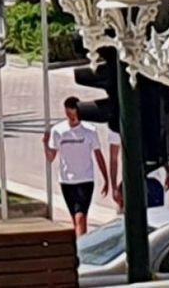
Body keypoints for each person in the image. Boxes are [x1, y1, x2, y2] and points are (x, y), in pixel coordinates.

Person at [44, 97, 110, 236]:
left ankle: (81, 250)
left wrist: (106, 178)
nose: (72, 118)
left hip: (85, 179)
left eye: (74, 114)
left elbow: (98, 154)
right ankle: (79, 244)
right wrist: (45, 143)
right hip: (66, 181)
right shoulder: (58, 131)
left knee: (81, 217)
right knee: (75, 218)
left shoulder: (90, 130)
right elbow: (51, 157)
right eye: (68, 114)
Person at [108, 127, 169, 210]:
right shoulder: (115, 126)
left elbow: (160, 147)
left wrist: (168, 171)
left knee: (155, 214)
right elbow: (113, 159)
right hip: (131, 181)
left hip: (153, 178)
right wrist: (114, 187)